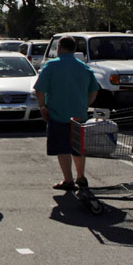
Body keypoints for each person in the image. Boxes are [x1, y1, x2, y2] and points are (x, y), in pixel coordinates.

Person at [33, 36, 99, 190]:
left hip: (57, 114)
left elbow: (39, 90)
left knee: (62, 149)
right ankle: (81, 177)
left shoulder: (51, 66)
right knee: (78, 148)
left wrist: (42, 107)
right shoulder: (84, 67)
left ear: (60, 47)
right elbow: (94, 90)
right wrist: (85, 104)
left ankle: (68, 180)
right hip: (79, 115)